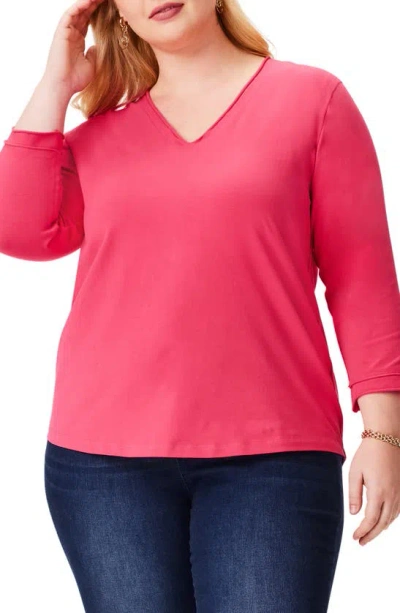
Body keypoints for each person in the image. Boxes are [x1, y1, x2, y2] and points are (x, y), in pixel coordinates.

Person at [0, 0, 400, 611]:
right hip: (103, 468)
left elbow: (361, 277)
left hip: (274, 460)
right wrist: (56, 84)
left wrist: (384, 431)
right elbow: (18, 229)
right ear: (116, 14)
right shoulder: (97, 139)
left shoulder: (314, 102)